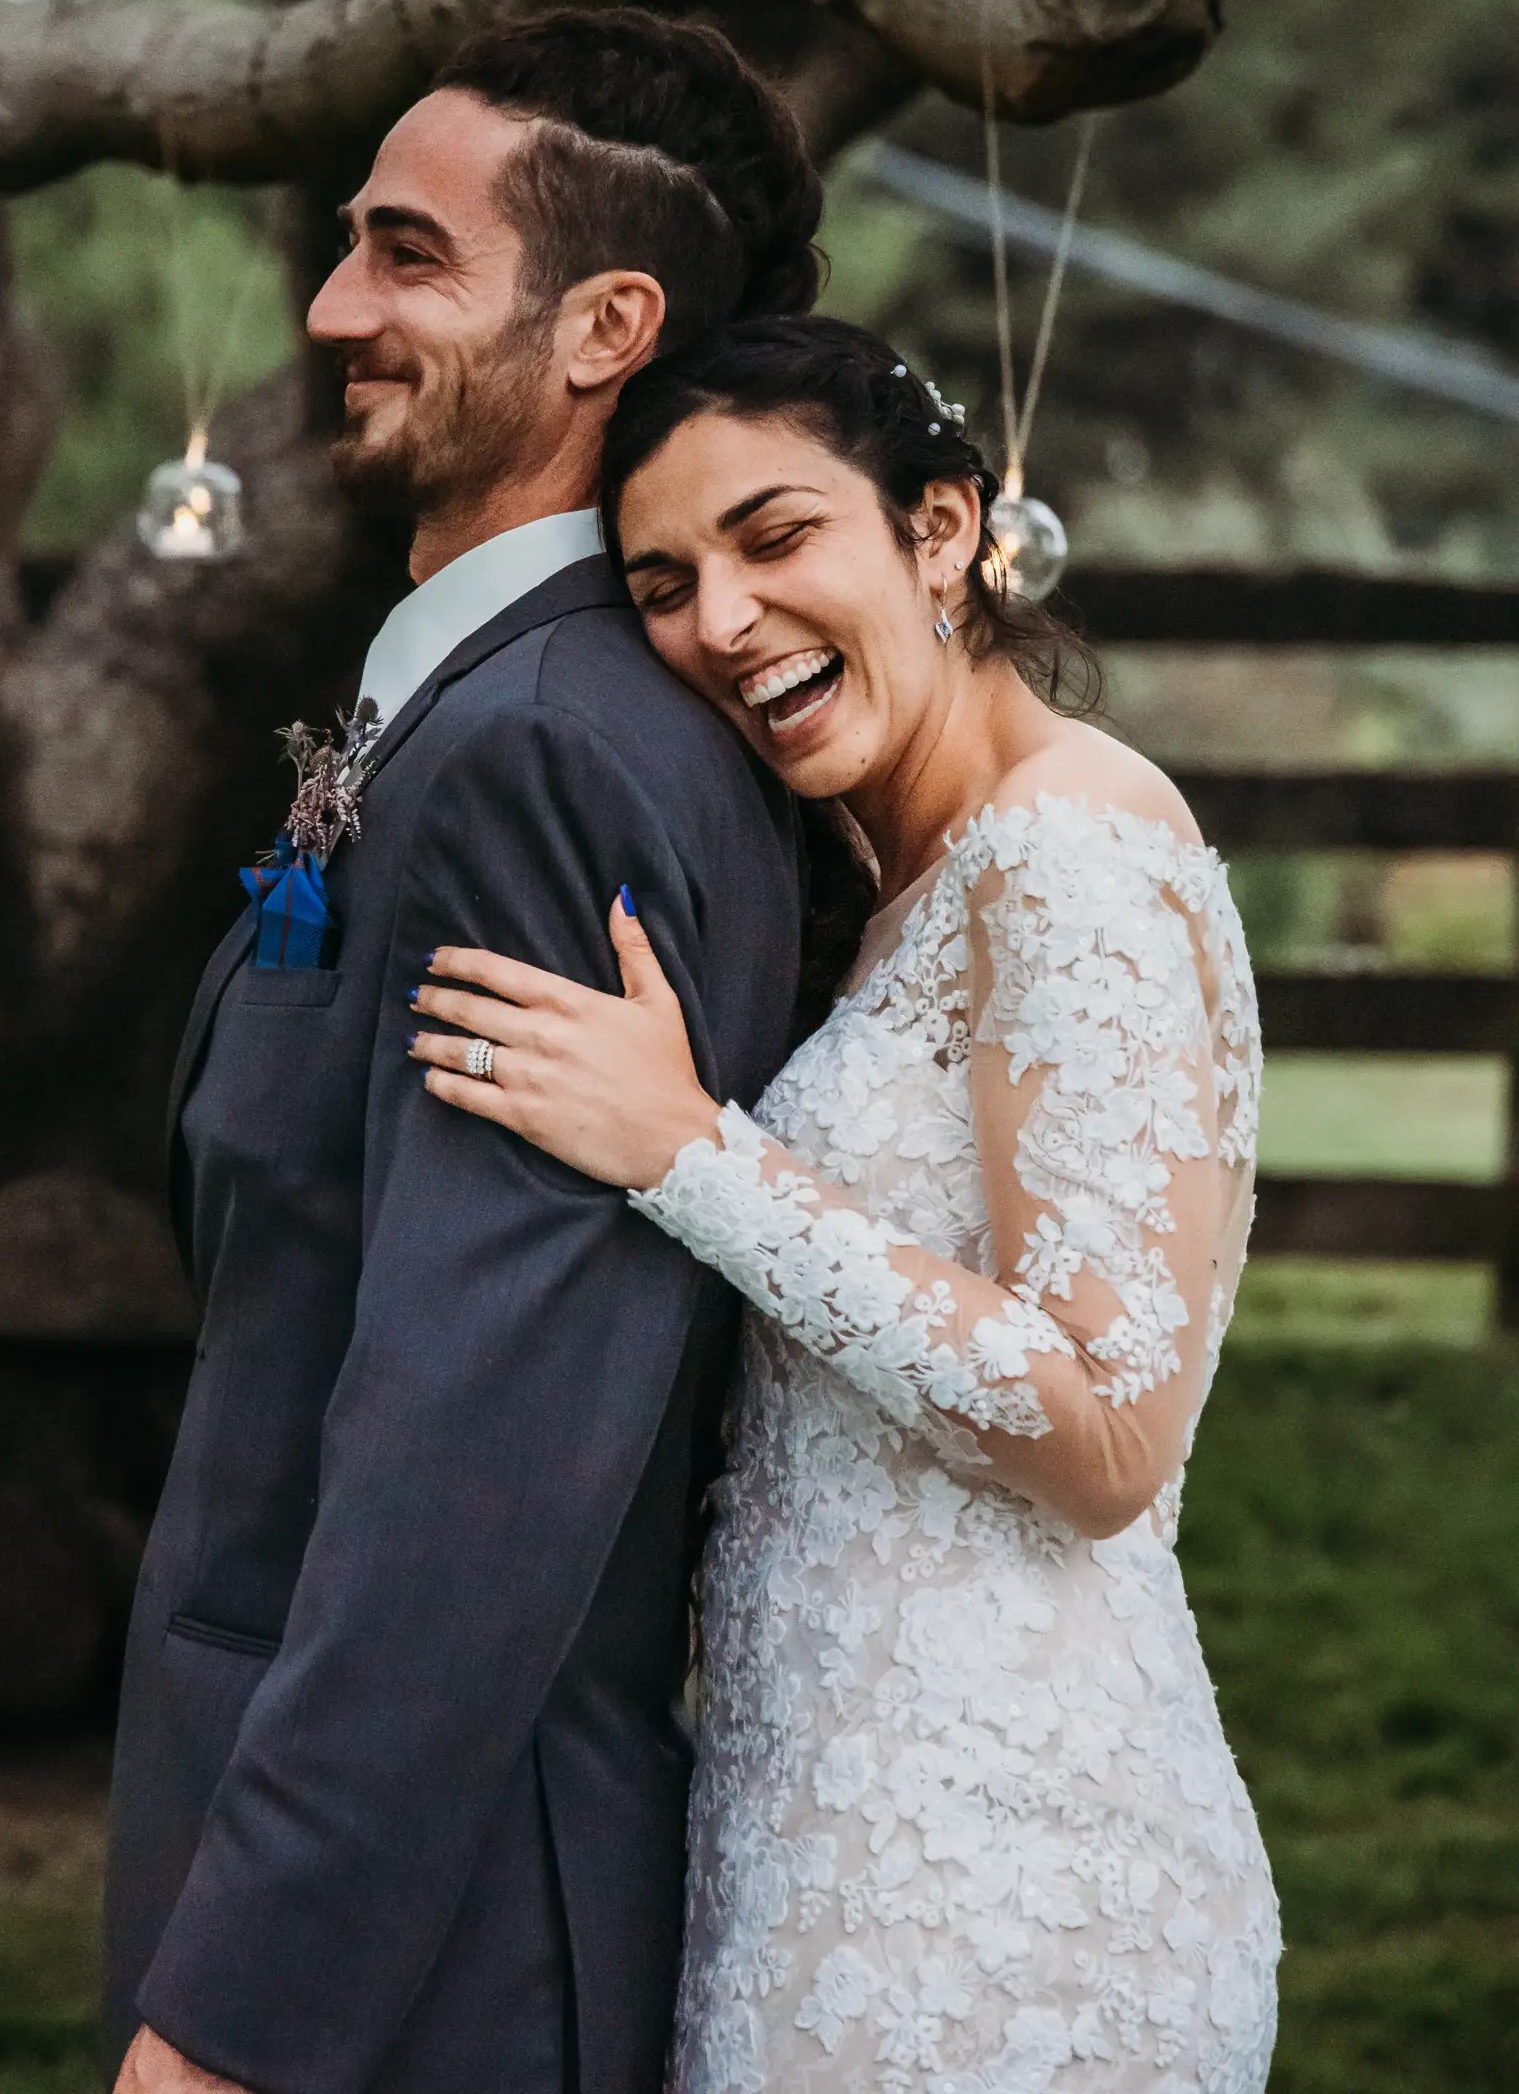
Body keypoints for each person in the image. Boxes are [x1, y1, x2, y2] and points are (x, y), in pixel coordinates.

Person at [406, 316, 1282, 2094]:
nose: (718, 621)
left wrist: (688, 1155)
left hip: (1005, 1883)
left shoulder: (1071, 852)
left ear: (943, 531)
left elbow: (1111, 1430)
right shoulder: (905, 886)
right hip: (817, 1835)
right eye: (663, 580)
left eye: (776, 536)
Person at [102, 11, 824, 2094]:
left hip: (417, 1950)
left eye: (407, 254)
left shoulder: (545, 754)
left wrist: (236, 2026)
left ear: (606, 323)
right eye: (348, 248)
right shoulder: (489, 707)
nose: (335, 306)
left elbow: (471, 1476)